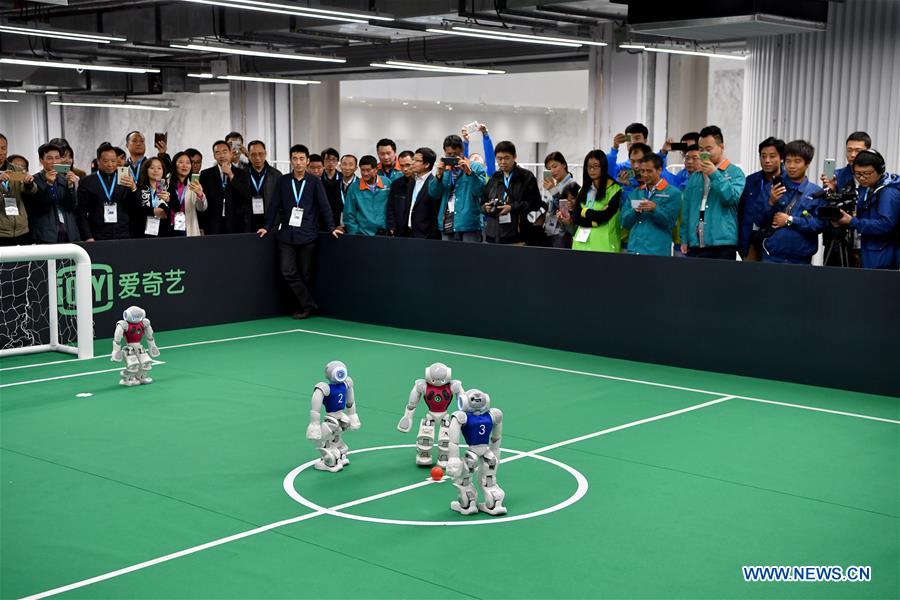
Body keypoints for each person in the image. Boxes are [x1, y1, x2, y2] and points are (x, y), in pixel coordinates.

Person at [257, 144, 341, 319]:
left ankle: (303, 308)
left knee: (305, 274)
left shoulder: (314, 182)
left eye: (302, 158)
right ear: (290, 160)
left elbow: (325, 207)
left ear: (307, 161)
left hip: (308, 234)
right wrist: (267, 226)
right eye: (295, 158)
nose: (298, 162)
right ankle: (309, 305)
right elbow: (274, 206)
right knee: (287, 271)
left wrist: (332, 227)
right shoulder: (283, 181)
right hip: (286, 234)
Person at [680, 125, 746, 260]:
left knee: (721, 281)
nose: (704, 153)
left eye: (708, 149)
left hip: (723, 244)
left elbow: (731, 198)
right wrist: (684, 238)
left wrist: (715, 174)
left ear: (721, 147)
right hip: (696, 243)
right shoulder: (695, 176)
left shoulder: (735, 173)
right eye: (701, 149)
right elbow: (686, 209)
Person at [754, 140, 824, 264]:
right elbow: (759, 220)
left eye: (797, 161)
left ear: (807, 163)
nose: (791, 166)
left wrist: (790, 220)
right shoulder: (771, 188)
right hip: (771, 257)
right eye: (788, 161)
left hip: (801, 260)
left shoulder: (815, 193)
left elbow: (818, 225)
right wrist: (771, 201)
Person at [830, 149, 900, 269]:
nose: (861, 178)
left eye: (866, 174)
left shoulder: (888, 192)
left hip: (881, 258)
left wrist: (852, 221)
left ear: (880, 170)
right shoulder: (866, 188)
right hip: (868, 252)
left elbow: (886, 224)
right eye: (857, 174)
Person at [77, 142, 140, 241]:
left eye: (113, 161)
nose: (110, 164)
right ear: (98, 161)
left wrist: (133, 188)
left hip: (123, 233)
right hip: (97, 234)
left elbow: (134, 207)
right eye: (105, 161)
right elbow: (81, 212)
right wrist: (88, 236)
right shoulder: (87, 181)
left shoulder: (125, 178)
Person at [621, 153, 681, 256]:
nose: (644, 174)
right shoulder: (636, 192)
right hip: (634, 250)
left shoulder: (673, 193)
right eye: (642, 171)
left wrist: (654, 209)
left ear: (659, 170)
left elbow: (670, 222)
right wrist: (634, 211)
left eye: (649, 171)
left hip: (657, 253)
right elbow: (624, 222)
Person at [481, 141, 540, 245]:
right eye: (499, 158)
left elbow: (535, 203)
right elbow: (482, 201)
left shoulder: (526, 177)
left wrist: (512, 208)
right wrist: (485, 208)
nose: (503, 162)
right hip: (492, 236)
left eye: (507, 158)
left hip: (516, 236)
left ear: (514, 157)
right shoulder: (495, 178)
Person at [23, 142, 80, 243]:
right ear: (41, 160)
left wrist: (70, 186)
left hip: (69, 233)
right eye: (49, 158)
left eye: (57, 158)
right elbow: (42, 207)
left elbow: (71, 206)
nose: (54, 162)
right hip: (45, 235)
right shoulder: (34, 181)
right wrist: (49, 184)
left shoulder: (64, 179)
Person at [738, 137, 785, 261]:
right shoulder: (751, 180)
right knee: (750, 277)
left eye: (772, 156)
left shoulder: (788, 182)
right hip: (751, 240)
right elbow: (741, 213)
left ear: (781, 158)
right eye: (763, 156)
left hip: (776, 241)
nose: (767, 160)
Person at [434, 134, 487, 243]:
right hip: (447, 221)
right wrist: (438, 175)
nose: (453, 157)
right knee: (447, 258)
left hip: (468, 223)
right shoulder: (444, 169)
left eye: (456, 154)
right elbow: (434, 194)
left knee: (470, 257)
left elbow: (480, 192)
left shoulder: (476, 167)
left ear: (462, 150)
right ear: (444, 151)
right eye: (449, 154)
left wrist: (469, 172)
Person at [569, 150, 623, 253]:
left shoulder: (615, 190)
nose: (592, 170)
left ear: (603, 166)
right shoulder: (583, 190)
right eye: (589, 167)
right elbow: (576, 218)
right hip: (581, 245)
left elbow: (604, 216)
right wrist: (595, 221)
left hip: (604, 246)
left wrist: (584, 211)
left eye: (596, 166)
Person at [198, 140, 253, 234]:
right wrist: (201, 225)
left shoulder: (242, 173)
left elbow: (247, 195)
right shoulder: (205, 174)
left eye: (224, 151)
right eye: (217, 153)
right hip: (213, 224)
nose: (222, 156)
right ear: (214, 156)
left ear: (231, 153)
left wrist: (231, 175)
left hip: (236, 223)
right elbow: (202, 200)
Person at [387, 148, 441, 239]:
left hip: (425, 235)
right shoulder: (412, 182)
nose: (412, 163)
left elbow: (435, 212)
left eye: (416, 160)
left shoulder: (434, 184)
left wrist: (431, 235)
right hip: (407, 233)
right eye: (413, 159)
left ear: (427, 164)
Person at [344, 155, 392, 236]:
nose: (365, 173)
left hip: (385, 234)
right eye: (362, 170)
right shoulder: (354, 188)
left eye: (368, 170)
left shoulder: (387, 183)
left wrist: (390, 228)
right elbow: (348, 214)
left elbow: (392, 207)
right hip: (363, 235)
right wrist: (355, 233)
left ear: (376, 169)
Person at [0, 134, 34, 245]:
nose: (1, 152)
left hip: (21, 231)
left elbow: (31, 190)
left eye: (3, 148)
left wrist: (29, 184)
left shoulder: (16, 169)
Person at [168, 151, 207, 236]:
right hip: (168, 226)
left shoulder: (194, 184)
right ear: (174, 164)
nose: (185, 165)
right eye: (181, 162)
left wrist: (200, 195)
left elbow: (201, 208)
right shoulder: (166, 182)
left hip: (188, 228)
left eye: (188, 163)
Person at [541, 151, 575, 248]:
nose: (552, 171)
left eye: (555, 166)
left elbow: (566, 209)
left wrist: (553, 191)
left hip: (563, 234)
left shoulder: (572, 185)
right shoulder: (556, 185)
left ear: (564, 165)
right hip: (551, 232)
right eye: (549, 169)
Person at [246, 140, 282, 231]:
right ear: (248, 155)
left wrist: (277, 221)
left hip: (270, 224)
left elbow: (280, 201)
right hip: (248, 223)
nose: (257, 157)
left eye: (261, 154)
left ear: (265, 154)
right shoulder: (242, 174)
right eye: (253, 154)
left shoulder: (276, 175)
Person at [136, 157, 172, 238]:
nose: (156, 170)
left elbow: (176, 210)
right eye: (152, 168)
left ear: (163, 171)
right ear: (146, 170)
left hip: (165, 233)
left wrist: (169, 200)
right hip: (143, 232)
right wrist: (152, 211)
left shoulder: (169, 188)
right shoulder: (139, 188)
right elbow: (136, 210)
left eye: (159, 168)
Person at [384, 150, 415, 235]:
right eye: (402, 166)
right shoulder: (396, 184)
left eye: (408, 165)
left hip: (417, 231)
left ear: (414, 162)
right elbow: (390, 207)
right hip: (399, 231)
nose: (405, 169)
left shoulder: (422, 183)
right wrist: (391, 226)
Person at [333, 154, 358, 227]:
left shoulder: (360, 185)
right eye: (344, 164)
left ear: (356, 168)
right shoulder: (333, 185)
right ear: (340, 166)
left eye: (351, 165)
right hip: (337, 228)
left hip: (356, 227)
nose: (347, 168)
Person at [320, 147, 342, 228]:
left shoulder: (342, 177)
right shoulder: (318, 177)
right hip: (321, 215)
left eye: (334, 159)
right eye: (327, 159)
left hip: (338, 214)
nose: (331, 162)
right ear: (322, 161)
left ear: (337, 162)